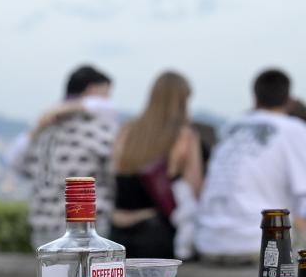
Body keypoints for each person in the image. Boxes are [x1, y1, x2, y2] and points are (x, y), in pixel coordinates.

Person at [195, 68, 306, 263]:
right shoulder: (294, 129)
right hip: (260, 243)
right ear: (288, 99)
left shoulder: (232, 128)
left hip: (209, 244)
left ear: (255, 97)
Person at [14, 65, 119, 248]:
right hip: (88, 228)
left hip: (42, 226)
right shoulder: (100, 129)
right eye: (106, 93)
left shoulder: (45, 130)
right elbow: (116, 171)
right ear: (92, 90)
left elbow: (19, 164)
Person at [110, 71, 203, 259]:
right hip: (156, 232)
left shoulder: (127, 130)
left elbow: (115, 172)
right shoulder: (183, 136)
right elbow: (195, 188)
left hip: (117, 232)